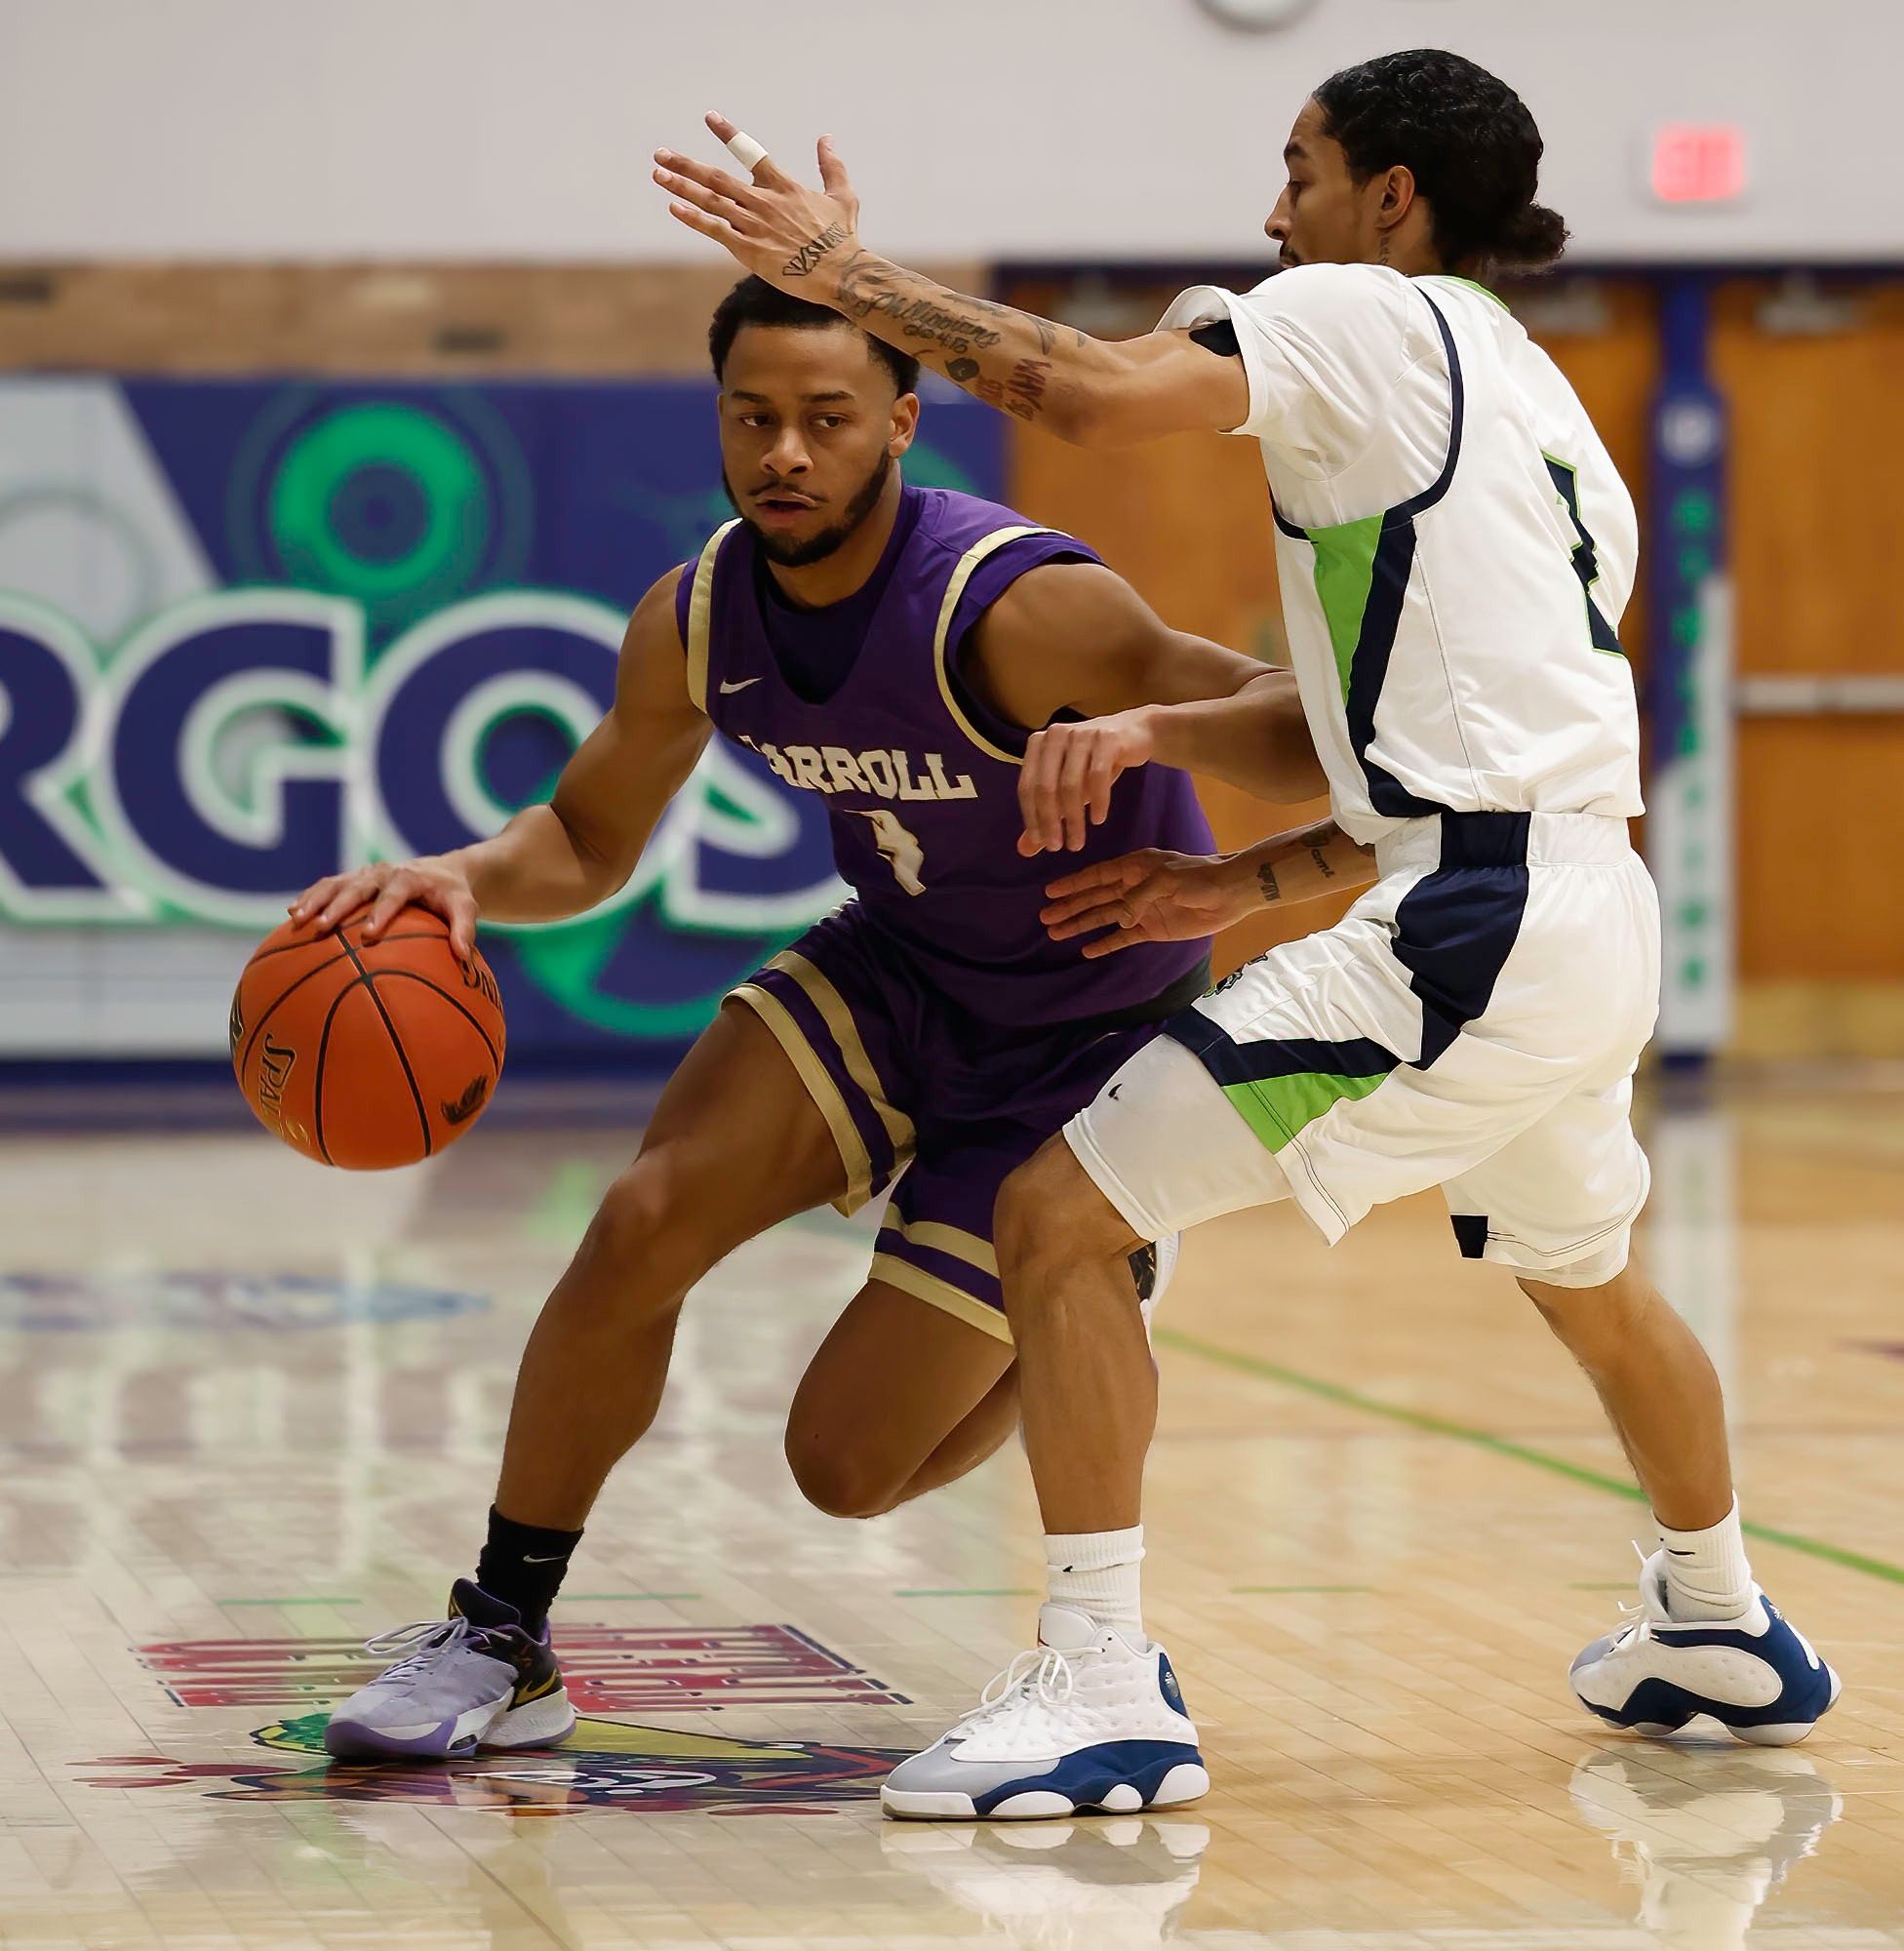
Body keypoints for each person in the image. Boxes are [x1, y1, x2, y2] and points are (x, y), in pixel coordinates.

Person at [654, 47, 1841, 1821]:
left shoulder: (1362, 309)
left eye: (1297, 167)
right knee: (1590, 1286)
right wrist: (1244, 882)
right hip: (1579, 905)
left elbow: (1090, 390)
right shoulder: (1532, 392)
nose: (1268, 208)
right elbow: (1460, 745)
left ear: (1392, 202)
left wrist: (841, 274)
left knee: (1057, 1212)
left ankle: (1105, 1689)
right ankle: (1719, 1621)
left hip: (1483, 920)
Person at [299, 276, 1355, 1762]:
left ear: (901, 428)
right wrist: (454, 878)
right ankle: (503, 1633)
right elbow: (587, 842)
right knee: (640, 1220)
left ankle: (1092, 1289)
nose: (785, 452)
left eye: (825, 419)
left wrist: (1159, 748)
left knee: (849, 1467)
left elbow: (1301, 735)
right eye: (755, 418)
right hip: (903, 966)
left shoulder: (1022, 606)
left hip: (1079, 1033)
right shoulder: (700, 614)